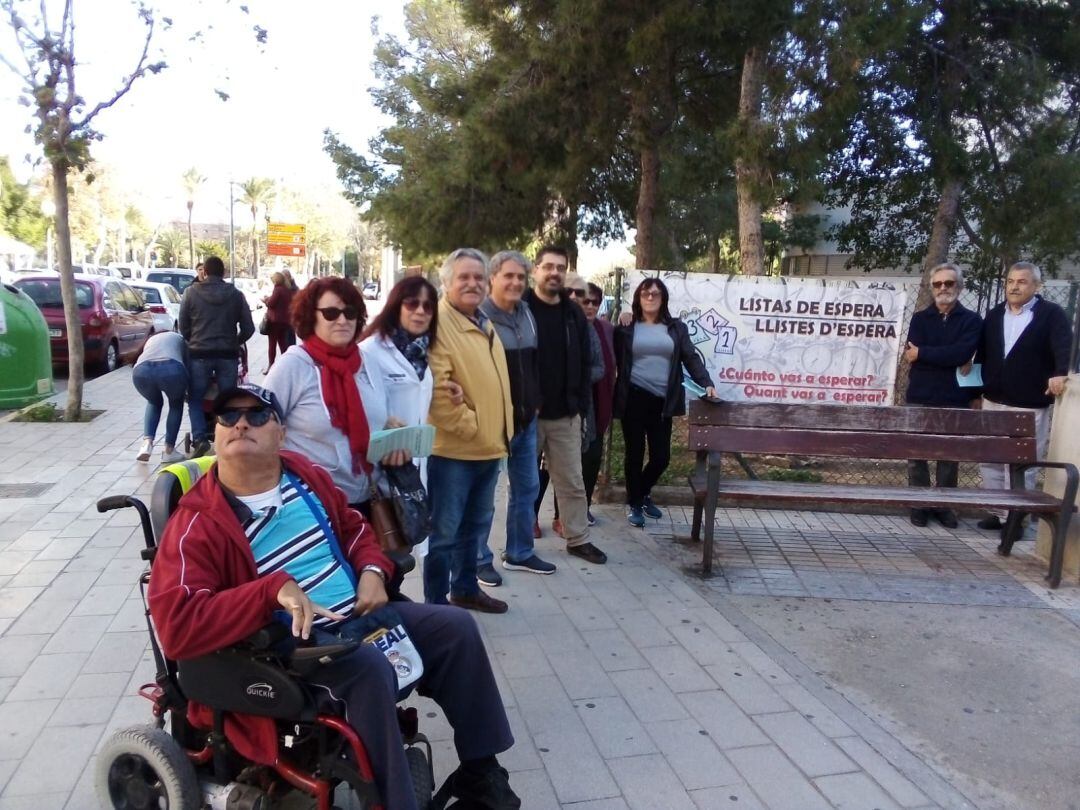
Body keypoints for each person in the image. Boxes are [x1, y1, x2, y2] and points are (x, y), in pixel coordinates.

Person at [146, 383, 520, 810]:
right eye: (228, 417)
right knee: (367, 669)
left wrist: (374, 571)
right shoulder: (198, 521)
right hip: (288, 647)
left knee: (455, 628)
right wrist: (268, 591)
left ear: (280, 433)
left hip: (358, 615)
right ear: (215, 434)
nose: (241, 423)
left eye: (256, 415)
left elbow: (355, 527)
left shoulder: (305, 475)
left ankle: (481, 772)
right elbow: (177, 628)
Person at [426, 249, 514, 612]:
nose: (472, 283)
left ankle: (463, 589)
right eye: (464, 277)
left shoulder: (484, 321)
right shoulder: (438, 324)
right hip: (453, 453)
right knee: (444, 534)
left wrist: (500, 429)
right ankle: (435, 607)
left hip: (488, 448)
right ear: (446, 283)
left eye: (479, 277)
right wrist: (475, 427)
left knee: (475, 529)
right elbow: (439, 391)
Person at [264, 277, 395, 513]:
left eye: (350, 312)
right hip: (312, 506)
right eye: (331, 313)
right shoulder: (293, 365)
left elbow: (379, 422)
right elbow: (261, 427)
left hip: (369, 501)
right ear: (311, 316)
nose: (343, 320)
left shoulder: (368, 363)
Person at [476, 251, 555, 588]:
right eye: (508, 276)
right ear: (493, 277)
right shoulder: (479, 316)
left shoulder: (527, 313)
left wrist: (536, 402)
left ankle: (520, 552)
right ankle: (478, 560)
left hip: (526, 420)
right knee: (483, 495)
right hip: (493, 423)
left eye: (521, 277)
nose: (515, 283)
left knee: (527, 488)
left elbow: (535, 363)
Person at [524, 246, 608, 565]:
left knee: (572, 482)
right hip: (527, 415)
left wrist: (578, 405)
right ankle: (518, 545)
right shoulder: (522, 308)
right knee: (524, 483)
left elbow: (587, 362)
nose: (554, 272)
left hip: (565, 414)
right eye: (548, 266)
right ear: (536, 270)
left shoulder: (573, 313)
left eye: (560, 267)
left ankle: (578, 539)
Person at [975, 261, 1072, 531]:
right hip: (993, 399)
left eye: (1022, 281)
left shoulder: (1051, 315)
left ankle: (1016, 519)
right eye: (1010, 281)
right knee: (990, 460)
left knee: (1022, 466)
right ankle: (997, 513)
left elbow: (1063, 348)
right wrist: (975, 393)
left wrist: (1060, 373)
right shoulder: (994, 315)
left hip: (1029, 405)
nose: (1014, 286)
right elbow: (981, 356)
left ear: (1037, 286)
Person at [360, 275, 453, 557]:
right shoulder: (370, 351)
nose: (421, 311)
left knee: (405, 544)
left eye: (428, 306)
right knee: (385, 547)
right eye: (412, 303)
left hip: (413, 469)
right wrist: (384, 424)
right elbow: (359, 403)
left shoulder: (426, 352)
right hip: (381, 466)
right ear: (396, 306)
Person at [614, 277, 717, 527]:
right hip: (634, 397)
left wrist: (707, 383)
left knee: (661, 457)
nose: (650, 297)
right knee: (634, 455)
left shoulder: (676, 328)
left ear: (663, 299)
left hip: (663, 401)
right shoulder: (627, 327)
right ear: (638, 297)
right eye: (646, 293)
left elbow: (690, 358)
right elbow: (611, 353)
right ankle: (635, 504)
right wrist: (620, 317)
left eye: (656, 294)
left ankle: (641, 492)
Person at [903, 263, 983, 528]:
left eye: (948, 283)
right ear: (932, 287)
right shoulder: (920, 318)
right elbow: (913, 355)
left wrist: (925, 353)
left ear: (958, 287)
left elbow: (961, 353)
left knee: (949, 455)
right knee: (917, 454)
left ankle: (944, 506)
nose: (943, 288)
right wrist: (947, 356)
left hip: (954, 396)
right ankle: (919, 505)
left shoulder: (972, 320)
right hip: (920, 394)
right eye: (938, 284)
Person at [179, 255, 255, 457]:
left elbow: (183, 326)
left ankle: (200, 438)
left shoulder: (190, 293)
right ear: (223, 273)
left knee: (195, 397)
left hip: (199, 354)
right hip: (227, 355)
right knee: (228, 398)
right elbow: (249, 327)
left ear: (204, 271)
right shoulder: (236, 295)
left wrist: (194, 340)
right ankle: (229, 436)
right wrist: (235, 342)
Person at [132, 330, 189, 463]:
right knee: (175, 405)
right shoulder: (179, 338)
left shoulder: (151, 339)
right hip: (172, 368)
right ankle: (169, 450)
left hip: (141, 371)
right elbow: (188, 363)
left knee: (153, 402)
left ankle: (147, 444)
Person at [261, 271, 296, 373]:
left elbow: (272, 303)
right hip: (284, 321)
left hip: (274, 321)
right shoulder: (287, 289)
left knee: (272, 344)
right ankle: (286, 365)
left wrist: (266, 300)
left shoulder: (278, 289)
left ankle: (271, 366)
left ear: (276, 280)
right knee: (282, 343)